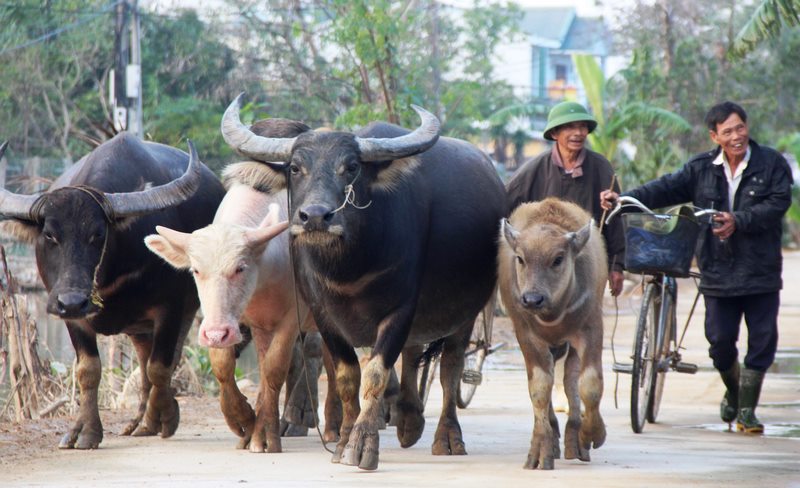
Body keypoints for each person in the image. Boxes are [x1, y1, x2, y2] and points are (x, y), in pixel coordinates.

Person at [600, 101, 793, 433]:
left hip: (760, 268)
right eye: (728, 131)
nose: (736, 136)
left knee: (762, 340)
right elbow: (666, 187)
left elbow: (777, 204)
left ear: (747, 128)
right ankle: (733, 391)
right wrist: (624, 197)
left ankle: (747, 411)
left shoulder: (771, 163)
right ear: (714, 136)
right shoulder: (701, 168)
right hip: (717, 268)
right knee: (719, 342)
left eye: (740, 128)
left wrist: (739, 220)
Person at [507, 100, 625, 297]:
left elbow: (614, 217)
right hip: (542, 267)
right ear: (554, 134)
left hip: (587, 262)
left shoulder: (600, 167)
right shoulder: (534, 169)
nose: (578, 133)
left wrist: (616, 265)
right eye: (570, 127)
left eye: (582, 127)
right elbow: (504, 204)